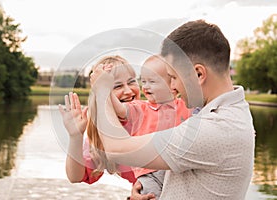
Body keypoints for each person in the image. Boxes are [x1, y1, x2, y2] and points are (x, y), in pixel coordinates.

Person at [88, 19, 255, 199]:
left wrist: (102, 91)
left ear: (198, 74)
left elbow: (116, 150)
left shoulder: (216, 128)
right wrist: (147, 186)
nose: (172, 87)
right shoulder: (225, 112)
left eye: (173, 77)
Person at [98, 54, 191, 199]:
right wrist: (103, 88)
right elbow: (119, 108)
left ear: (172, 87)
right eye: (143, 81)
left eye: (152, 81)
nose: (145, 86)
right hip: (147, 174)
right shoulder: (139, 108)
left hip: (173, 168)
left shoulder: (185, 106)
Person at [59, 55, 140, 186]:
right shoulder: (101, 134)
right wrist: (75, 137)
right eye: (117, 86)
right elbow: (75, 177)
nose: (128, 90)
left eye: (131, 82)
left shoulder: (154, 114)